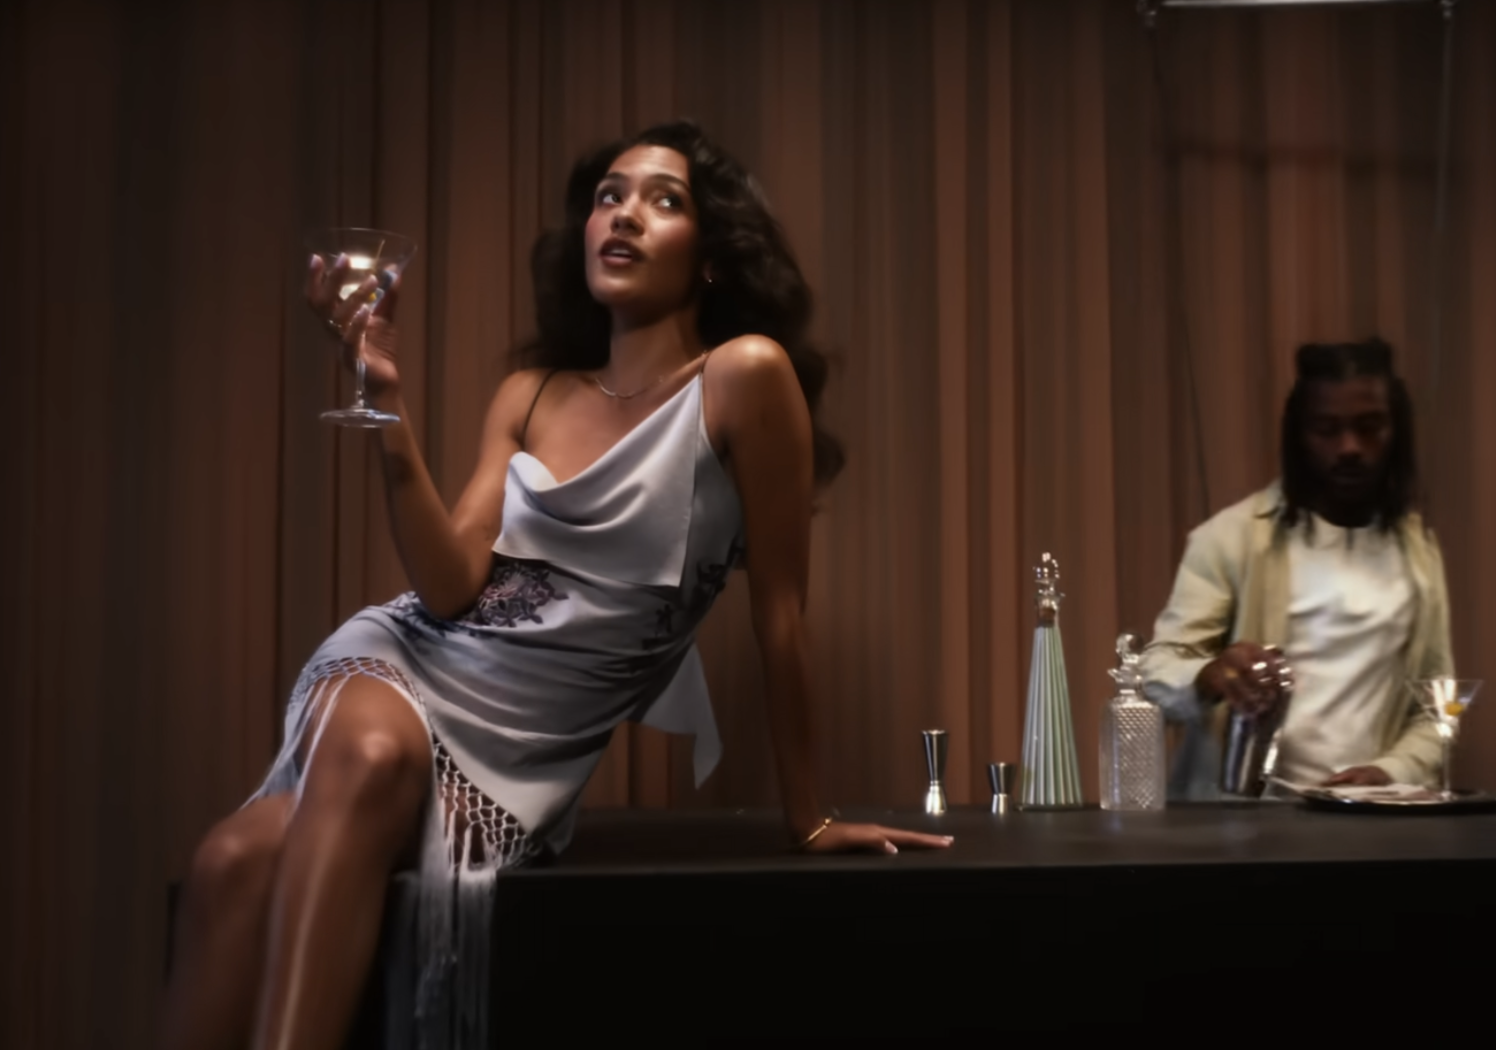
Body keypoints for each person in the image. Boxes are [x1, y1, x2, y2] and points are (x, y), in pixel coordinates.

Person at [160, 120, 951, 1050]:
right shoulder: (529, 395)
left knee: (237, 858)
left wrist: (808, 819)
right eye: (609, 197)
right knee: (354, 768)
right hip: (409, 662)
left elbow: (782, 615)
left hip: (527, 751)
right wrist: (388, 405)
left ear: (710, 257)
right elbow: (449, 589)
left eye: (664, 201)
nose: (624, 215)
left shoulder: (743, 376)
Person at [1139, 338, 1453, 800]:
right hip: (1243, 823)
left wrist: (1390, 771)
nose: (1350, 447)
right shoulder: (1231, 537)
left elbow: (1438, 704)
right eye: (1327, 429)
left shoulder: (1418, 549)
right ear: (1299, 435)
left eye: (1369, 427)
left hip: (1371, 818)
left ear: (1397, 431)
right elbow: (1155, 674)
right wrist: (1211, 674)